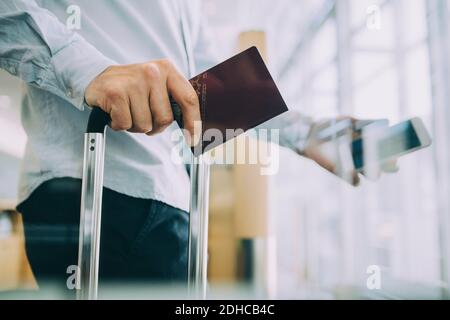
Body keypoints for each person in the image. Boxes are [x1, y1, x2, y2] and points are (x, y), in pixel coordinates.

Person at [0, 0, 395, 296]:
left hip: (170, 199)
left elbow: (212, 90)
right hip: (91, 185)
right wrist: (91, 70)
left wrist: (310, 134)